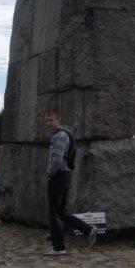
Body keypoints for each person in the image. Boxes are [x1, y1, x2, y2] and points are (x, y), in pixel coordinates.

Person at [44, 110, 96, 256]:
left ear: (58, 119)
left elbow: (57, 159)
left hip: (58, 176)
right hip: (64, 175)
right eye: (47, 121)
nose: (48, 123)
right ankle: (88, 230)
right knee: (62, 212)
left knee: (53, 213)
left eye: (51, 120)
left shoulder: (60, 136)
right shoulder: (64, 134)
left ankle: (59, 247)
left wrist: (50, 173)